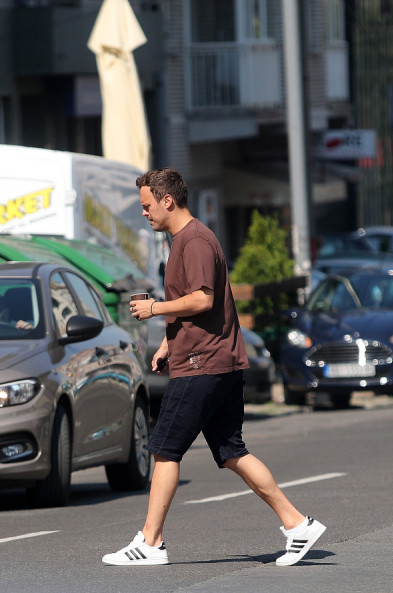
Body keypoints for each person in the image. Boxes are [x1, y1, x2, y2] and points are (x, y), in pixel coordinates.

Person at [101, 168, 326, 567]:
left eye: (147, 206)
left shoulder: (195, 241)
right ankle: (297, 524)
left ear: (167, 201)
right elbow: (205, 305)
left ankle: (150, 543)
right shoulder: (186, 241)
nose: (145, 214)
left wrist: (154, 308)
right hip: (214, 361)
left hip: (203, 366)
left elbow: (203, 300)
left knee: (165, 449)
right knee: (230, 452)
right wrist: (169, 342)